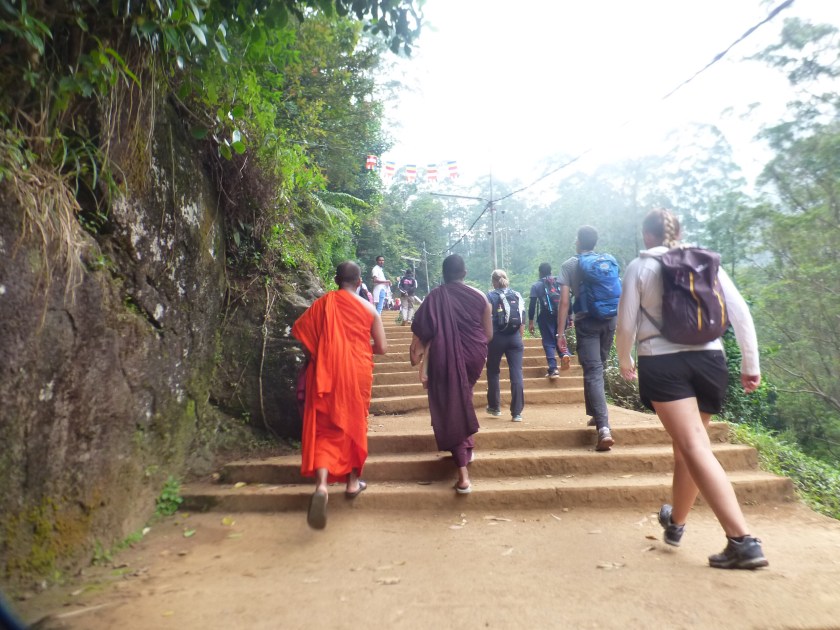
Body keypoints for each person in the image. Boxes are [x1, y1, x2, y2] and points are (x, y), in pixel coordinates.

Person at [615, 208, 768, 569]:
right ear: (678, 234)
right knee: (688, 446)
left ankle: (742, 540)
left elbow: (626, 323)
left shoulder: (640, 266)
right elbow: (740, 312)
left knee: (693, 445)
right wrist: (751, 364)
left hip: (662, 362)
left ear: (647, 235)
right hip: (710, 361)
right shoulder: (704, 262)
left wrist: (624, 359)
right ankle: (676, 522)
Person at [291, 261, 388, 529]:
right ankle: (352, 482)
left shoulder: (323, 304)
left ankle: (322, 486)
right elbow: (382, 347)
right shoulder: (369, 309)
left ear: (336, 280)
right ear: (360, 282)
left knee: (324, 430)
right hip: (357, 372)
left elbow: (303, 335)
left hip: (326, 372)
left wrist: (327, 352)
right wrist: (355, 346)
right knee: (353, 424)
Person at [410, 254, 492, 494]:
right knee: (462, 396)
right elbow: (488, 335)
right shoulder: (480, 297)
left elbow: (421, 329)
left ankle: (463, 472)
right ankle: (467, 445)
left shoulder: (434, 297)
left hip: (443, 357)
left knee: (452, 403)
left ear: (443, 274)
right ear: (464, 273)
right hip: (474, 354)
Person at [558, 226, 617, 452]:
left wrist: (560, 332)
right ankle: (595, 414)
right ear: (595, 242)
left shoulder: (569, 265)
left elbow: (564, 302)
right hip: (609, 320)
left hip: (587, 323)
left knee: (593, 371)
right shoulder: (606, 262)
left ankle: (604, 429)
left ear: (578, 241)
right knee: (597, 368)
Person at [485, 269, 525, 422]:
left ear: (494, 282)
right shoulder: (517, 295)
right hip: (515, 338)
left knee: (493, 371)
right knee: (516, 373)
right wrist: (518, 339)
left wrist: (487, 339)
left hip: (496, 338)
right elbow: (522, 320)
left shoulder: (491, 296)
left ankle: (494, 407)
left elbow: (487, 319)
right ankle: (517, 413)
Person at [528, 263, 570, 379]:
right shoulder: (559, 282)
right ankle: (564, 354)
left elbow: (532, 305)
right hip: (562, 315)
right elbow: (566, 299)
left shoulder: (536, 285)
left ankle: (553, 369)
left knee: (548, 342)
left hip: (546, 315)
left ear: (540, 272)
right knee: (559, 335)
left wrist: (531, 321)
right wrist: (570, 317)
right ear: (551, 271)